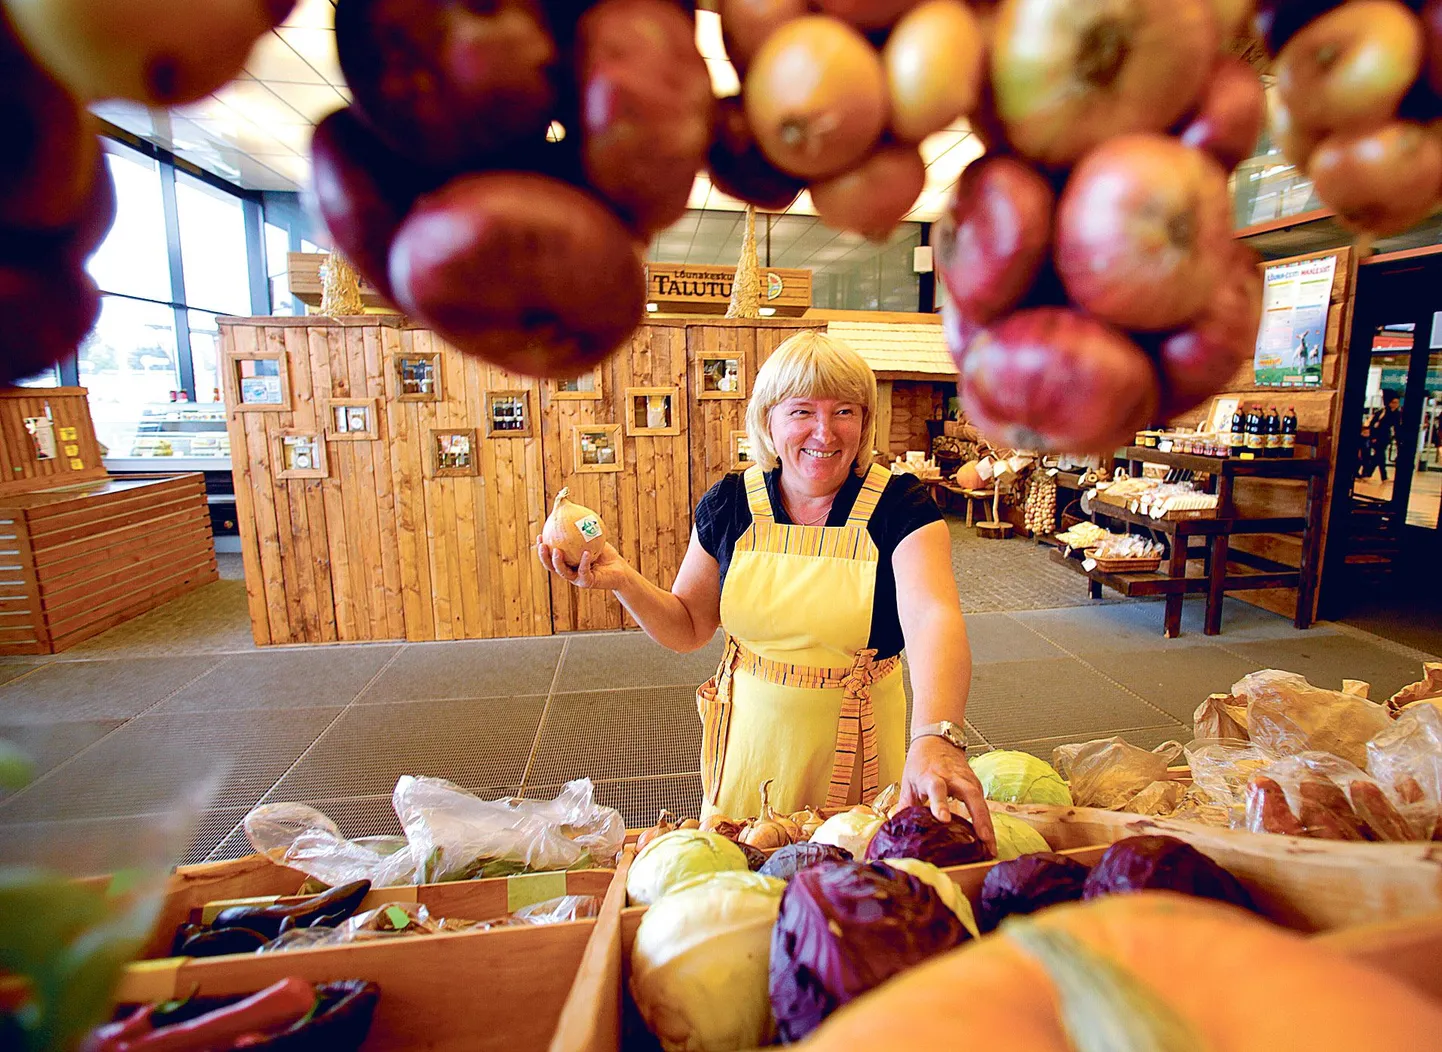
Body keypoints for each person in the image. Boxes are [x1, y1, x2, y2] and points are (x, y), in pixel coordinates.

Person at [537, 331, 995, 849]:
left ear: (865, 422)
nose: (824, 431)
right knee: (749, 873)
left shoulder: (900, 506)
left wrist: (936, 734)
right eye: (802, 411)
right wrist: (622, 579)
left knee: (855, 882)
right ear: (768, 420)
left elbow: (934, 616)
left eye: (845, 411)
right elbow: (688, 626)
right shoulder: (731, 502)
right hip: (752, 742)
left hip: (861, 740)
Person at [1361, 394, 1402, 481]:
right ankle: (1377, 475)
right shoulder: (1382, 413)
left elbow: (1397, 427)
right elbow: (1374, 424)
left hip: (1385, 437)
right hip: (1377, 437)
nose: (1396, 405)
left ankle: (1369, 473)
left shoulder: (1396, 414)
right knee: (1380, 456)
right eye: (1394, 402)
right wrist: (1373, 436)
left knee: (1379, 456)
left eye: (1397, 403)